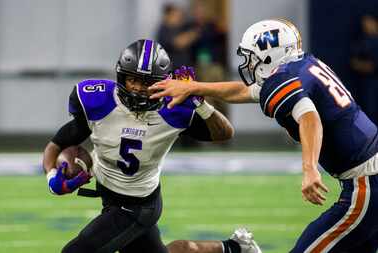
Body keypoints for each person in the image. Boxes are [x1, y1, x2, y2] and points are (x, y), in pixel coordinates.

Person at [150, 19, 378, 252]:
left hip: (367, 182)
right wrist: (195, 88)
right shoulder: (301, 65)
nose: (248, 63)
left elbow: (310, 118)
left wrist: (309, 168)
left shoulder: (283, 78)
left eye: (252, 56)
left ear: (270, 55)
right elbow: (244, 90)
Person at [42, 39, 261, 253]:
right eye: (132, 80)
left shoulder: (175, 107)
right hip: (109, 194)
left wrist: (200, 103)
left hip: (138, 205)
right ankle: (236, 247)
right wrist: (52, 177)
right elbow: (57, 144)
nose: (138, 88)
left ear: (163, 82)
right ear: (121, 76)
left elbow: (225, 133)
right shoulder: (99, 101)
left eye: (147, 82)